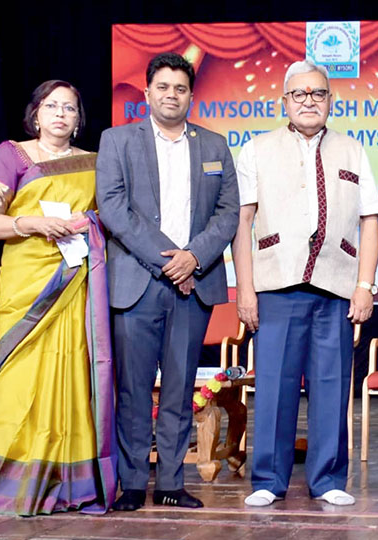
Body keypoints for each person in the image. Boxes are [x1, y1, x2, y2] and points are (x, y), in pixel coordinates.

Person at [233, 60, 378, 507]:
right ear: (284, 101)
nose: (308, 102)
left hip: (336, 288)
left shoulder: (353, 150)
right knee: (275, 384)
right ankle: (267, 480)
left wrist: (365, 285)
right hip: (276, 285)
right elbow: (242, 223)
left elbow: (370, 221)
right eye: (299, 95)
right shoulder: (256, 149)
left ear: (330, 101)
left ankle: (328, 479)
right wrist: (245, 289)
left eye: (317, 94)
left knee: (332, 383)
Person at [96, 52, 240, 511]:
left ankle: (173, 483)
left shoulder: (215, 146)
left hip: (193, 284)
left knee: (180, 389)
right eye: (163, 87)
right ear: (147, 93)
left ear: (191, 96)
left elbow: (229, 213)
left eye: (180, 88)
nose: (171, 95)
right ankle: (134, 484)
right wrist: (169, 260)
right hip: (138, 281)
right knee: (135, 390)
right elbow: (114, 209)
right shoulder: (117, 141)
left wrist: (193, 256)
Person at [0, 80, 116, 515]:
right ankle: (3, 489)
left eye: (70, 108)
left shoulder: (93, 163)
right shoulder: (11, 154)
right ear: (36, 113)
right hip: (27, 282)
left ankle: (70, 487)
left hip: (74, 284)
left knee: (70, 375)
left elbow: (108, 217)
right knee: (17, 381)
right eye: (52, 106)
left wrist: (88, 221)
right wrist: (31, 223)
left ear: (79, 118)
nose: (60, 114)